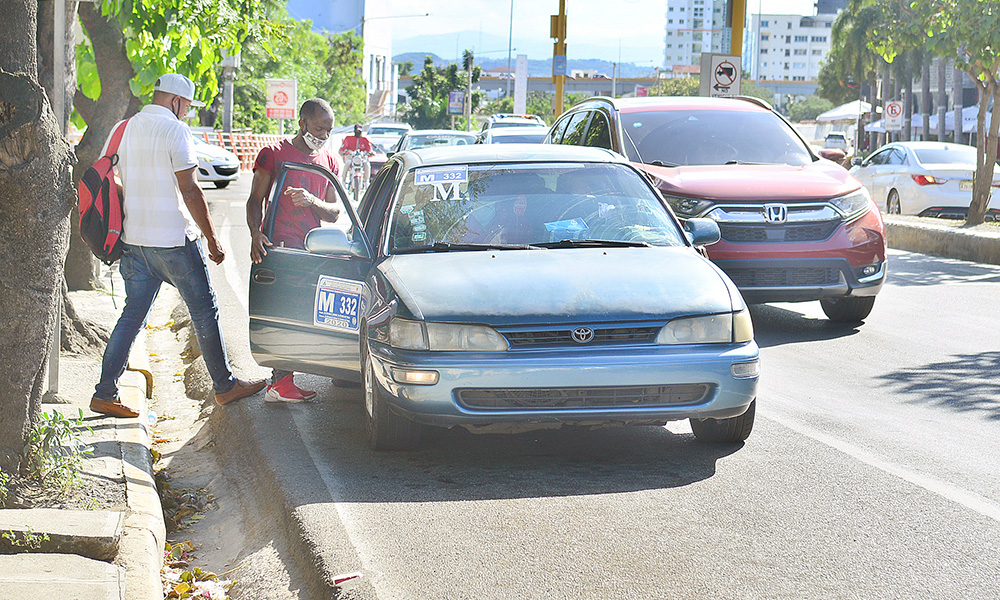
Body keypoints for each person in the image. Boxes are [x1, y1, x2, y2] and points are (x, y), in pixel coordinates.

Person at [91, 73, 265, 418]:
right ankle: (225, 386)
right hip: (173, 240)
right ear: (175, 101)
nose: (186, 113)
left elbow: (109, 177)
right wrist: (213, 239)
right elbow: (190, 189)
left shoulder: (121, 129)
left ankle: (105, 391)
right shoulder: (175, 130)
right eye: (185, 106)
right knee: (205, 310)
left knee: (132, 316)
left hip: (133, 242)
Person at [246, 98, 342, 403]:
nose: (324, 135)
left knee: (301, 314)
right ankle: (280, 383)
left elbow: (335, 212)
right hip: (281, 246)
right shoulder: (274, 154)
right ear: (302, 123)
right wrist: (254, 234)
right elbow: (254, 200)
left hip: (313, 248)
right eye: (319, 128)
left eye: (329, 130)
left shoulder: (329, 161)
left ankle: (283, 382)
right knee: (282, 313)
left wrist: (312, 201)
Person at [338, 123, 374, 188]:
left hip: (361, 158)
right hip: (351, 157)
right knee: (348, 163)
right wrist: (343, 151)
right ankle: (343, 181)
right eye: (356, 131)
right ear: (354, 131)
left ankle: (366, 182)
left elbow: (369, 149)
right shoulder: (348, 138)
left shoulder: (365, 140)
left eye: (359, 131)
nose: (358, 133)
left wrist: (370, 152)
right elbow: (343, 148)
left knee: (367, 164)